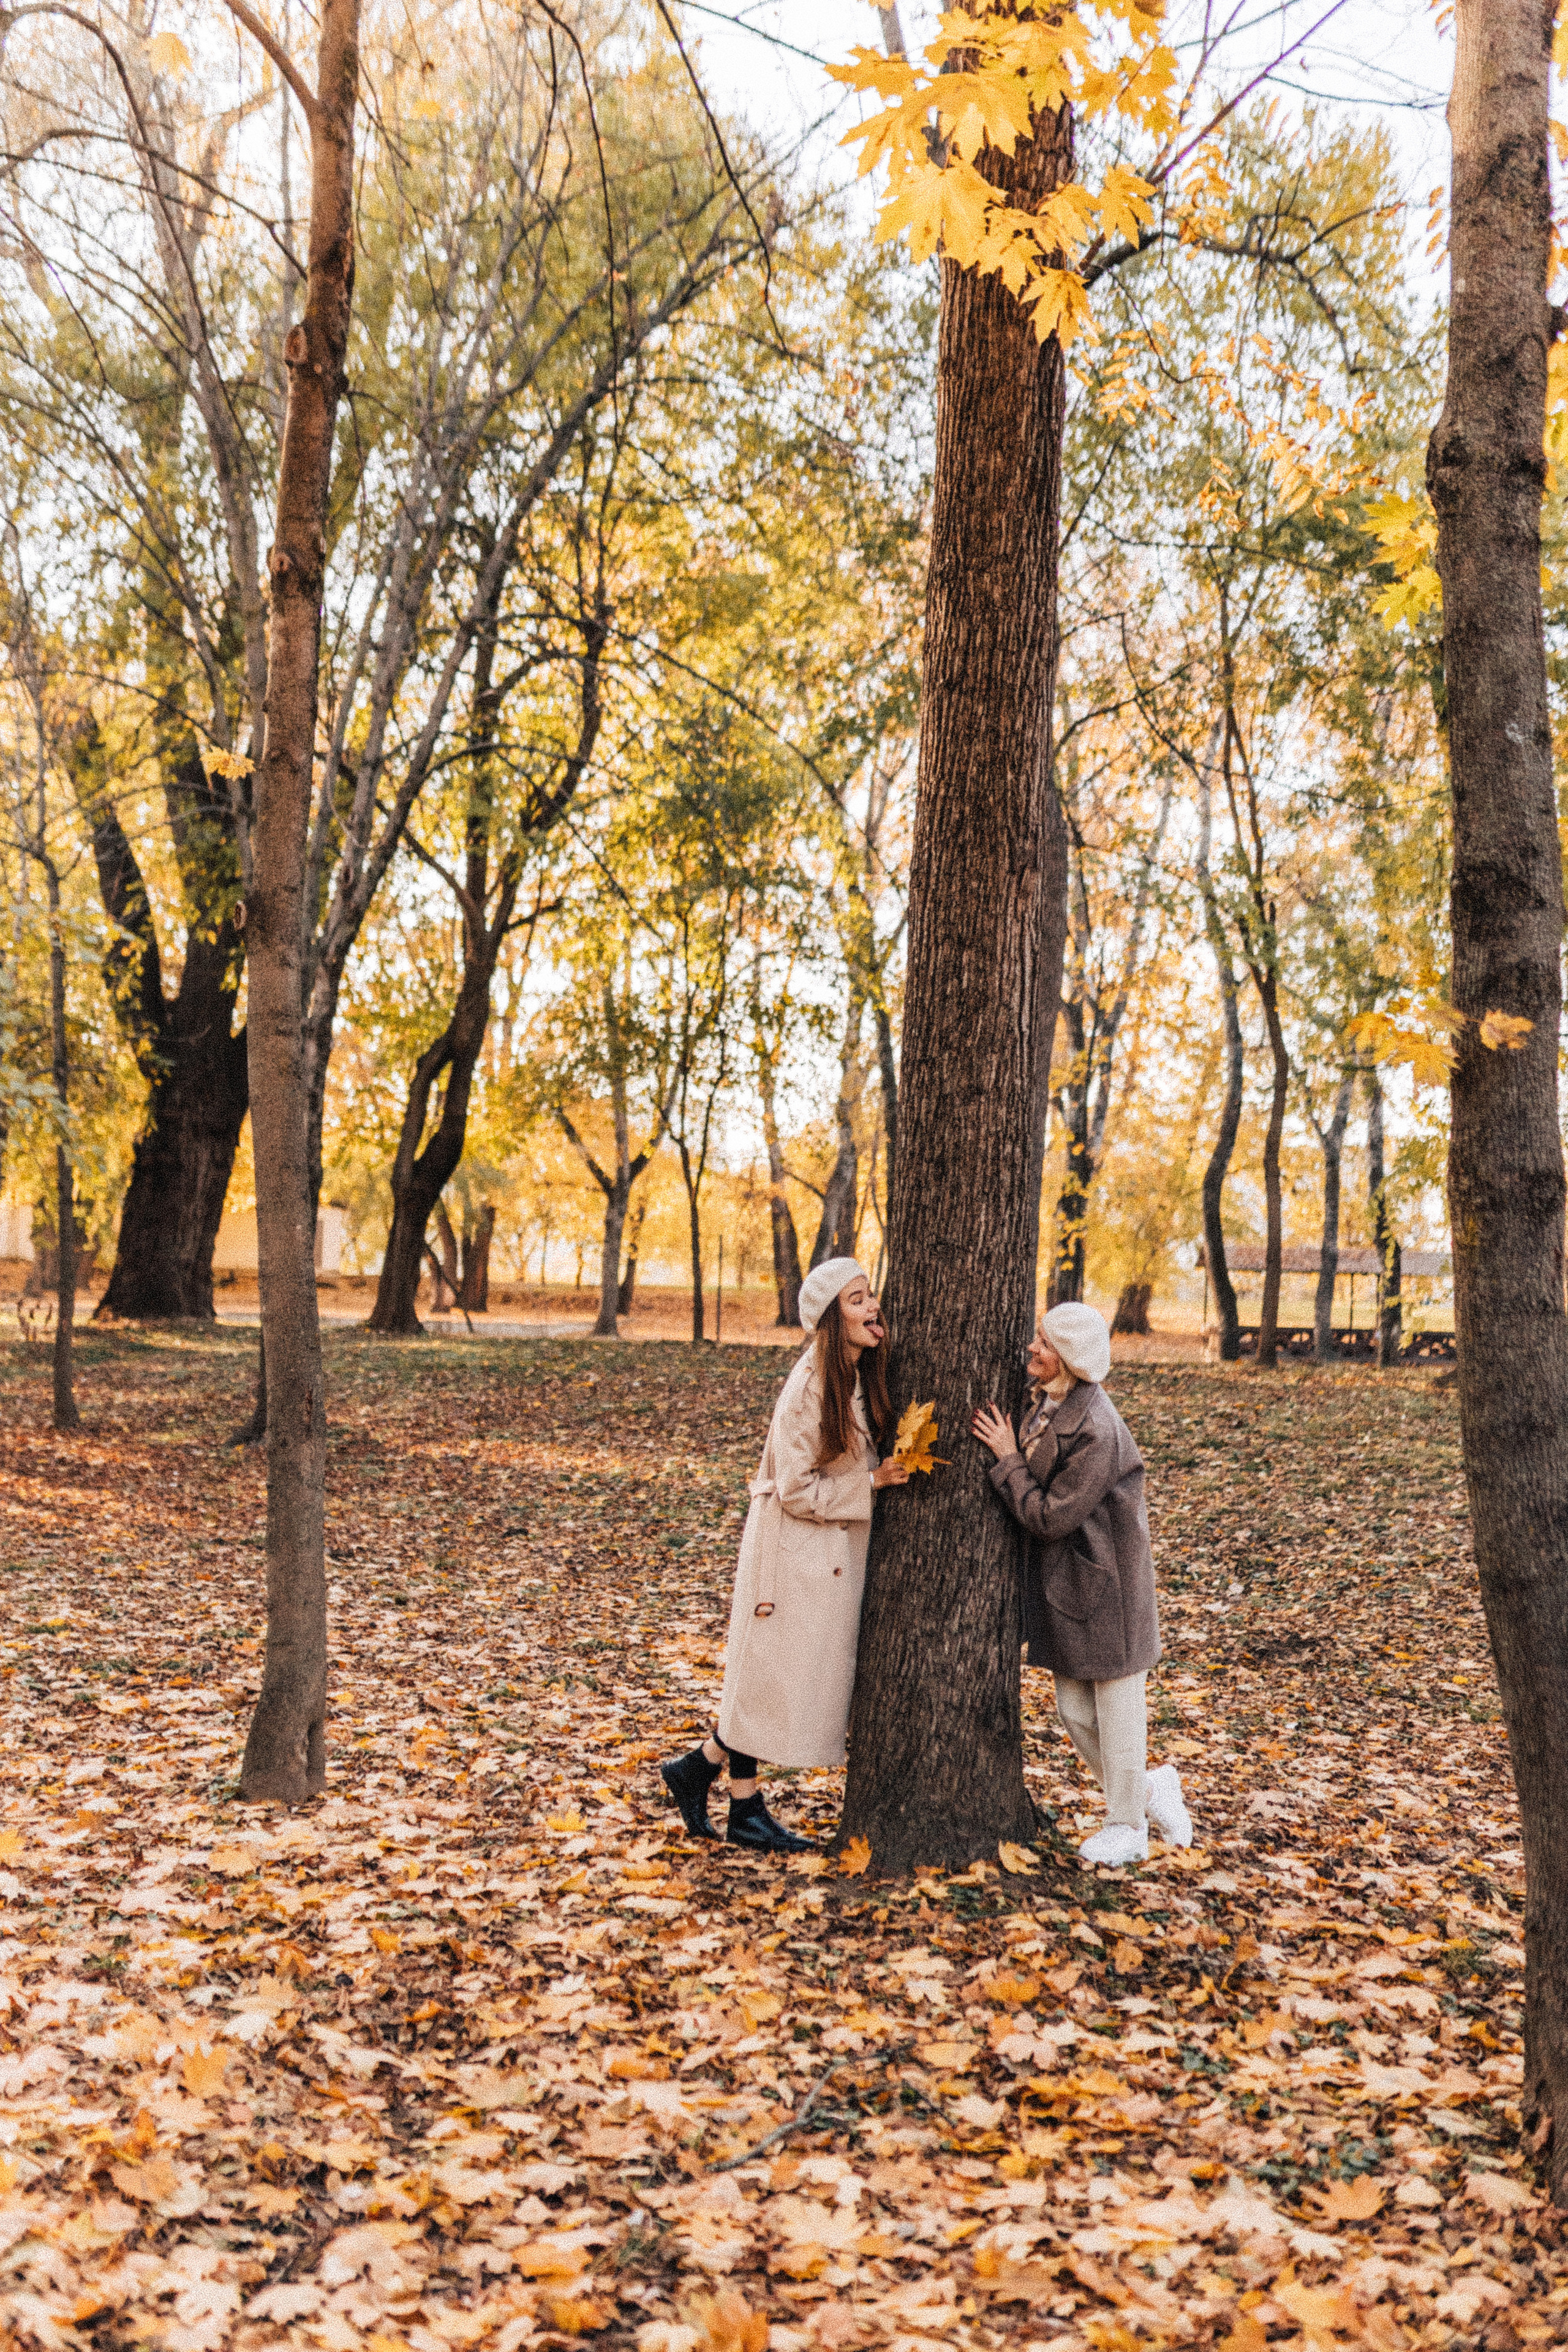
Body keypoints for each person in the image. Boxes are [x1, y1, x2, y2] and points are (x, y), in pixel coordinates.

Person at [660, 1258, 910, 1853]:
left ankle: (709, 1778)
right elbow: (797, 1490)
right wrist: (874, 1484)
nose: (871, 1306)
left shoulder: (851, 1374)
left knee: (766, 1676)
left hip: (821, 1548)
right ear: (830, 1319)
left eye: (869, 1294)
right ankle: (731, 1799)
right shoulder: (810, 1387)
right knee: (768, 1675)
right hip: (790, 1549)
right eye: (856, 1300)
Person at [971, 1300, 1192, 1868]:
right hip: (1072, 1587)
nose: (1031, 1349)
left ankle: (1127, 1827)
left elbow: (1050, 1517)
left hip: (1109, 1591)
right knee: (1074, 1710)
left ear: (1067, 1357)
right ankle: (1147, 1791)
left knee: (1117, 1717)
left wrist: (1006, 1459)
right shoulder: (1048, 1405)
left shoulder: (1096, 1429)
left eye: (1042, 1342)